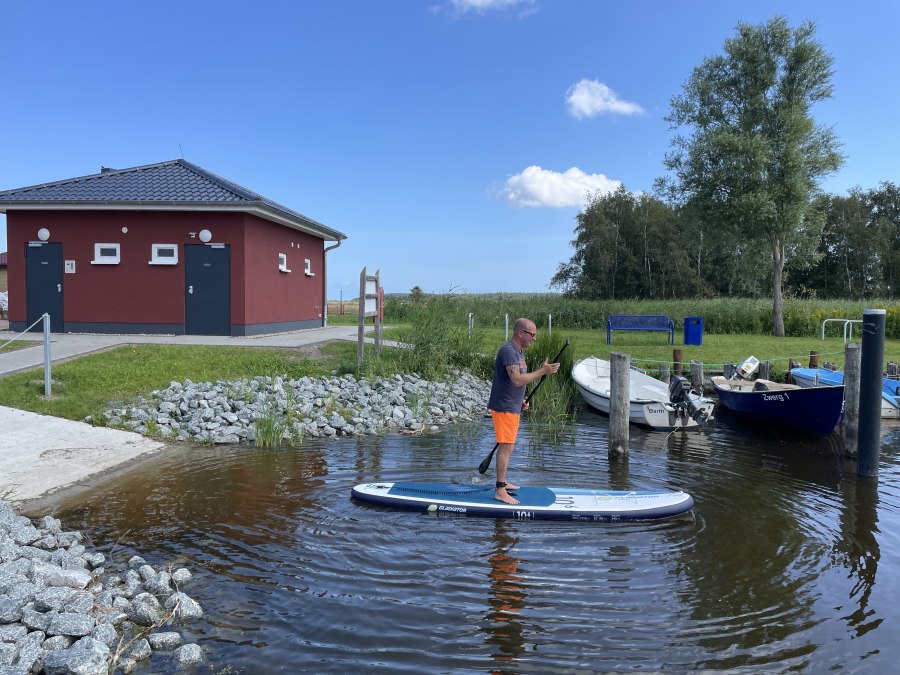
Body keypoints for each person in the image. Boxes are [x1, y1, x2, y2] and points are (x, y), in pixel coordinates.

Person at [487, 318, 560, 505]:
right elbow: (517, 379)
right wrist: (542, 371)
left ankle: (503, 482)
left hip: (512, 406)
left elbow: (515, 382)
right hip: (504, 407)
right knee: (505, 445)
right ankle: (500, 490)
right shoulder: (508, 351)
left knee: (509, 445)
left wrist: (520, 401)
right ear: (520, 333)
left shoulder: (518, 352)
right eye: (532, 334)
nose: (534, 338)